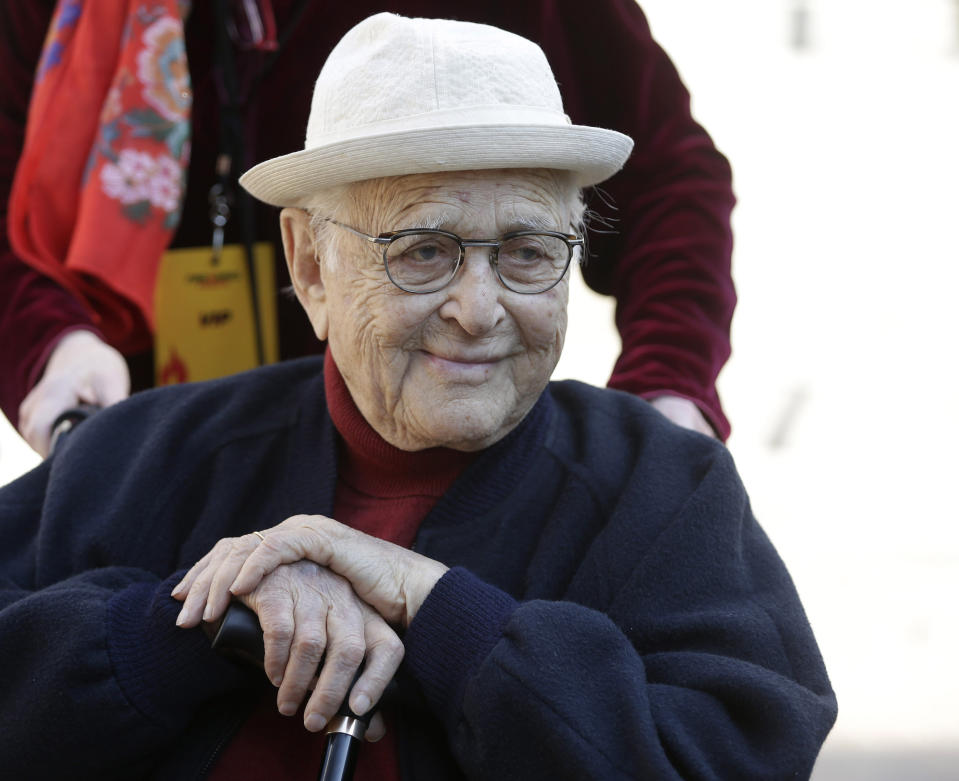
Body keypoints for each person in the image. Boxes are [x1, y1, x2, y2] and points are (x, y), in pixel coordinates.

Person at [0, 14, 833, 779]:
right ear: (313, 266)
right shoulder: (141, 458)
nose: (478, 310)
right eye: (423, 250)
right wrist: (190, 619)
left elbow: (734, 752)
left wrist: (441, 612)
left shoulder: (660, 492)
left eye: (529, 250)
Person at [0, 0, 736, 456]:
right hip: (160, 448)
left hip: (436, 455)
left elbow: (667, 177)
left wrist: (669, 386)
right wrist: (51, 345)